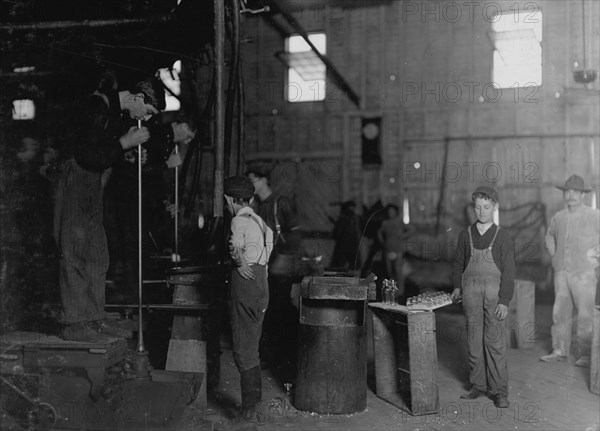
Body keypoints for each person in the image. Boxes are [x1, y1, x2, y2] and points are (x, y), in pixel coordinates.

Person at [54, 72, 165, 342]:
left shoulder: (112, 113)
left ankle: (93, 316)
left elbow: (100, 152)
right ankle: (76, 322)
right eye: (148, 110)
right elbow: (85, 155)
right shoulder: (95, 105)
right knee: (76, 250)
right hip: (75, 179)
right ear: (138, 98)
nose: (147, 118)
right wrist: (124, 143)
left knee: (97, 252)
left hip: (90, 182)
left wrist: (124, 152)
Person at [451, 185, 515, 409]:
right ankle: (478, 385)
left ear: (495, 207)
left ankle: (498, 391)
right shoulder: (465, 235)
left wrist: (505, 300)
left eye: (486, 207)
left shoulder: (502, 236)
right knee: (473, 340)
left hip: (494, 295)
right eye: (477, 207)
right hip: (470, 294)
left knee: (495, 342)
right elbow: (458, 263)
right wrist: (457, 288)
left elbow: (509, 271)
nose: (481, 212)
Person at [223, 175, 273, 425]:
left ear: (228, 199)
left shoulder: (238, 220)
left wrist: (240, 263)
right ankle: (257, 409)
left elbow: (235, 245)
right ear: (251, 199)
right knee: (252, 345)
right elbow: (269, 244)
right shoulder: (260, 220)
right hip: (262, 283)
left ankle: (249, 414)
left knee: (243, 350)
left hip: (246, 284)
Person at [245, 162, 301, 378]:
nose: (250, 184)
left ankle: (286, 358)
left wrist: (284, 261)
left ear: (262, 179)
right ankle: (273, 357)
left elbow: (295, 235)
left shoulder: (280, 203)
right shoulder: (257, 207)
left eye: (252, 180)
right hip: (264, 266)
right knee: (266, 312)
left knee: (279, 310)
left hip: (279, 267)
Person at [540, 175, 600, 367]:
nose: (571, 195)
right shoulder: (558, 217)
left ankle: (586, 354)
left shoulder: (594, 215)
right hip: (561, 272)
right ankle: (559, 350)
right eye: (568, 191)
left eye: (576, 191)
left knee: (585, 315)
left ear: (583, 195)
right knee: (560, 312)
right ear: (564, 194)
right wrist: (554, 253)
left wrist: (595, 255)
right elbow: (549, 237)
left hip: (584, 273)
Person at [377, 203, 416, 297]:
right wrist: (383, 242)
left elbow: (411, 229)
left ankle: (401, 292)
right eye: (389, 211)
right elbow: (379, 232)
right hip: (388, 249)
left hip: (398, 249)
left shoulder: (399, 221)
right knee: (390, 271)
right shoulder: (385, 222)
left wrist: (403, 236)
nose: (390, 213)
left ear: (395, 212)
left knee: (398, 270)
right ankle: (393, 290)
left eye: (392, 211)